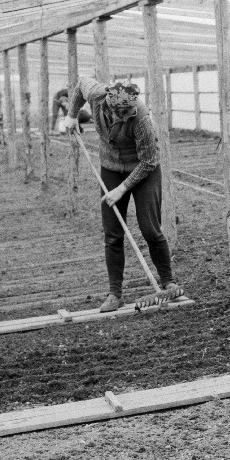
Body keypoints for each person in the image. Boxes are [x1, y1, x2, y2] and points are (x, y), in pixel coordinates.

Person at [64, 78, 180, 312]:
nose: (125, 117)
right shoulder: (98, 96)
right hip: (111, 168)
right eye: (121, 113)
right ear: (109, 105)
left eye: (128, 112)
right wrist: (72, 115)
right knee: (113, 234)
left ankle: (168, 282)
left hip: (143, 170)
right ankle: (115, 294)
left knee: (150, 229)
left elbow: (149, 161)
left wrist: (122, 189)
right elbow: (80, 85)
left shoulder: (142, 119)